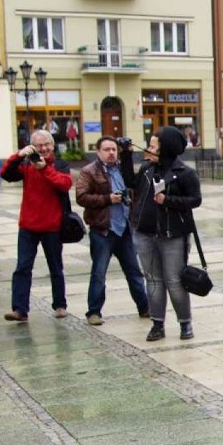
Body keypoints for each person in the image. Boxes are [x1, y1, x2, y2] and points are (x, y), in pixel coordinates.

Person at [120, 126, 201, 341]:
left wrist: (168, 201)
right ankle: (157, 324)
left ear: (165, 149)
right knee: (153, 280)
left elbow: (195, 200)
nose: (148, 149)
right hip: (145, 233)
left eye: (153, 146)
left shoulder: (185, 173)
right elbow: (130, 183)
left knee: (174, 281)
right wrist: (126, 154)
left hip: (173, 235)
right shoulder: (147, 169)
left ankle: (185, 324)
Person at [0, 129, 73, 322]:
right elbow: (5, 174)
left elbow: (64, 184)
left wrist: (44, 169)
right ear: (33, 146)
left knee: (55, 267)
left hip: (53, 226)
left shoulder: (59, 164)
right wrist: (18, 156)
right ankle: (19, 310)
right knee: (22, 268)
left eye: (47, 144)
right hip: (28, 226)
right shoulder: (26, 165)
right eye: (39, 145)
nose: (44, 148)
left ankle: (60, 305)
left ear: (52, 144)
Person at [76, 136, 149, 325]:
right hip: (103, 229)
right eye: (107, 149)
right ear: (98, 152)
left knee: (134, 271)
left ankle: (145, 307)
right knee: (99, 273)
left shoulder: (121, 168)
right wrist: (108, 198)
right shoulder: (89, 171)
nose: (111, 153)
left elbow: (134, 186)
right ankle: (94, 312)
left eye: (114, 149)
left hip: (124, 228)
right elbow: (81, 197)